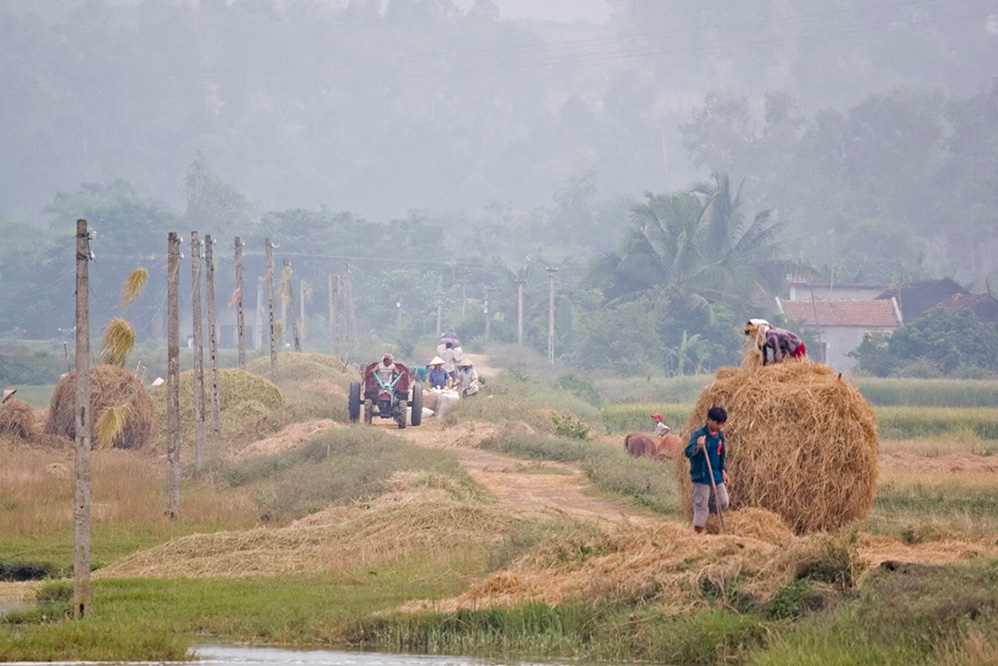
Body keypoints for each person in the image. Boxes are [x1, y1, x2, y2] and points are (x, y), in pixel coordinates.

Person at [684, 406, 730, 534]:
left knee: (723, 501)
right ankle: (698, 536)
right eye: (717, 423)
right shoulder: (698, 434)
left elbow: (721, 454)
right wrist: (698, 446)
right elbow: (688, 452)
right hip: (702, 476)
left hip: (716, 475)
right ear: (709, 420)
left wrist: (723, 471)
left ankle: (702, 509)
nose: (719, 426)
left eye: (722, 423)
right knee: (701, 508)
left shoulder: (720, 436)